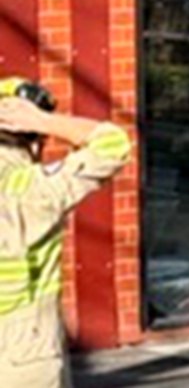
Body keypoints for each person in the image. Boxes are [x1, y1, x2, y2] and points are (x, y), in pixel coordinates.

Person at [0, 77, 132, 386]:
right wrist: (44, 121)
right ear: (34, 141)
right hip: (24, 346)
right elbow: (113, 144)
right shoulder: (32, 187)